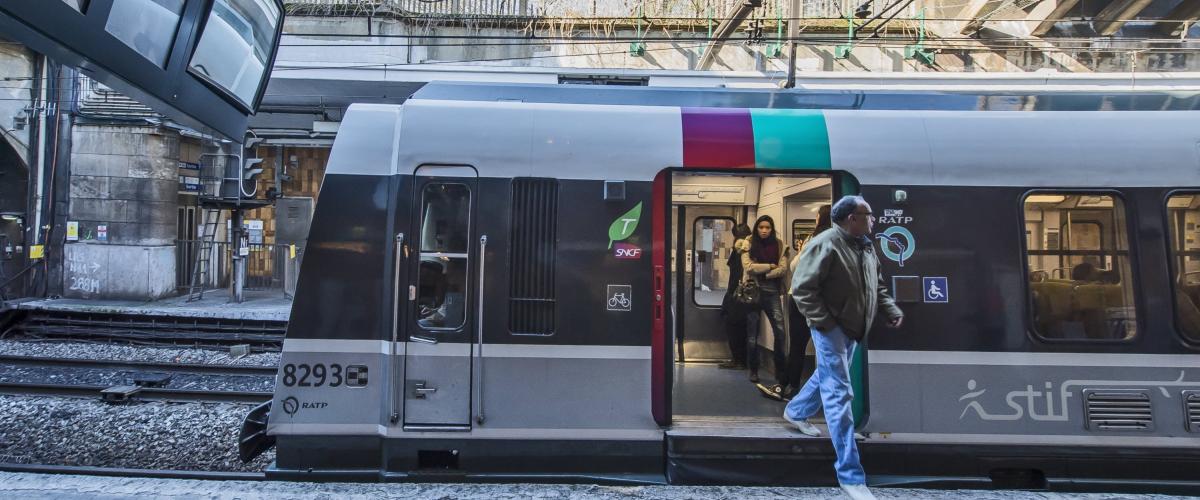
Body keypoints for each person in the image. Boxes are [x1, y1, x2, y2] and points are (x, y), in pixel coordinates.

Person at [782, 196, 903, 500]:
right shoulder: (826, 244)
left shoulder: (864, 245)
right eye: (869, 215)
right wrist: (825, 324)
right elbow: (802, 289)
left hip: (852, 328)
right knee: (840, 394)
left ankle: (796, 411)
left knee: (829, 377)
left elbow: (877, 283)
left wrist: (889, 309)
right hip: (832, 329)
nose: (874, 219)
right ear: (852, 218)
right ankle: (851, 476)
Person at [759, 205, 831, 401]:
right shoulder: (838, 240)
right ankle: (797, 388)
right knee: (825, 347)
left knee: (797, 345)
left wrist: (800, 253)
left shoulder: (814, 239)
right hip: (823, 300)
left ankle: (789, 387)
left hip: (800, 297)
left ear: (820, 218)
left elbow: (794, 266)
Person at [741, 215, 790, 384]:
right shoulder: (747, 243)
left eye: (767, 227)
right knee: (752, 334)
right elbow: (748, 267)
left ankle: (780, 370)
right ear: (756, 228)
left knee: (781, 332)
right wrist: (770, 266)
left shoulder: (779, 245)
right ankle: (753, 369)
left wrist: (765, 273)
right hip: (753, 290)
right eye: (761, 227)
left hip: (772, 291)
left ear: (771, 228)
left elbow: (783, 269)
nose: (764, 230)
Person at [719, 223, 753, 370]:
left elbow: (735, 277)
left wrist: (729, 297)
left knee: (733, 326)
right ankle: (741, 358)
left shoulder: (740, 250)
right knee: (741, 327)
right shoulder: (750, 248)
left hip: (737, 294)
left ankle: (738, 359)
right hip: (744, 293)